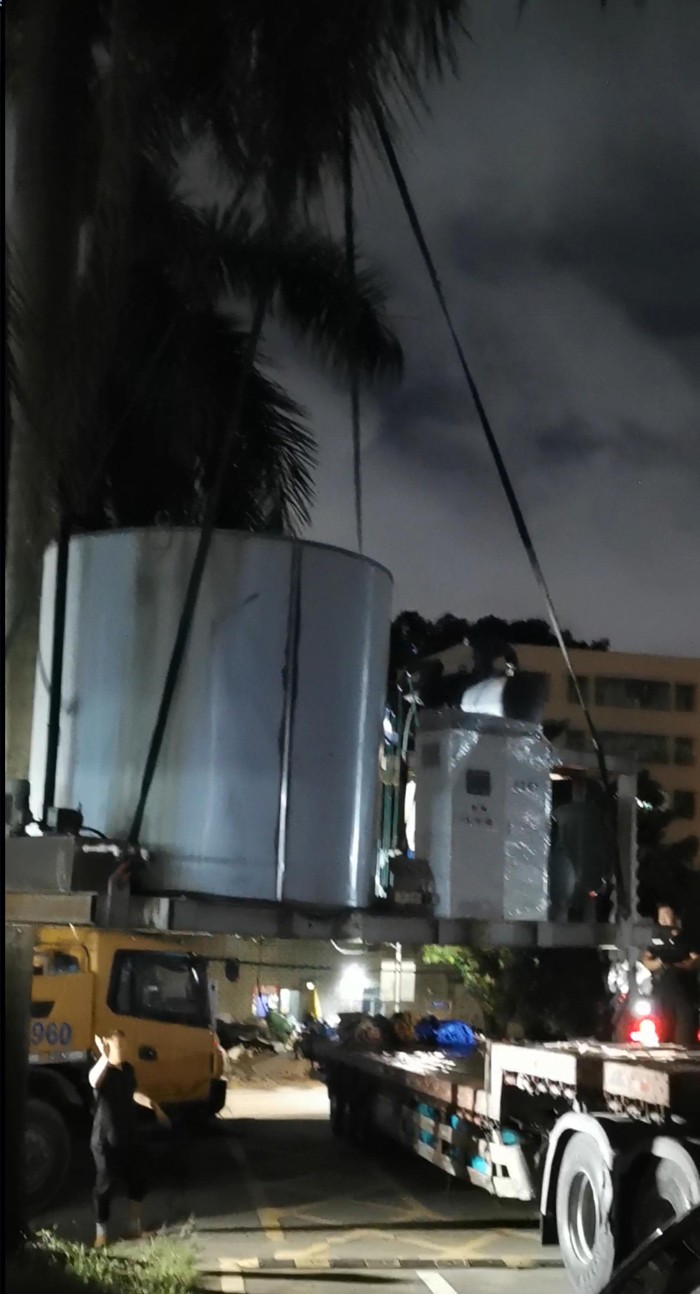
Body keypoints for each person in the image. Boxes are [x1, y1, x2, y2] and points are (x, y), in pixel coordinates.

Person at [89, 1029, 170, 1248]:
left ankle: (134, 1228)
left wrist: (153, 1105)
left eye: (125, 1045)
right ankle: (101, 1235)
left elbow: (132, 1092)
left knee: (138, 1180)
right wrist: (104, 1056)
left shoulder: (127, 1069)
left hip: (128, 1134)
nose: (124, 1049)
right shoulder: (100, 1071)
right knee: (104, 1186)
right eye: (119, 1045)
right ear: (108, 1045)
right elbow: (95, 1082)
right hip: (105, 1140)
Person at [642, 905, 699, 1046]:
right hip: (661, 988)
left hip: (681, 988)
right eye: (660, 916)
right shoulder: (656, 941)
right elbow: (646, 961)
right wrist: (660, 962)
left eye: (666, 914)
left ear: (675, 918)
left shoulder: (685, 939)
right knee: (661, 1030)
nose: (663, 919)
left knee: (683, 1033)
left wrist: (683, 965)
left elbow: (696, 959)